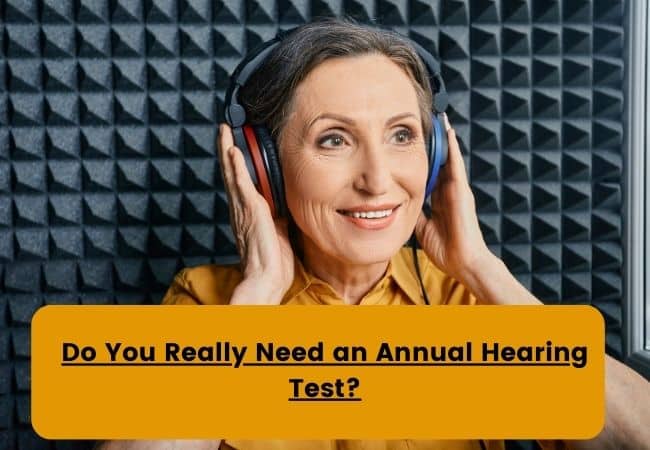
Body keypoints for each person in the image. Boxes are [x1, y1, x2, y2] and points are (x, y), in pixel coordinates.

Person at [100, 17, 650, 450]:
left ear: (436, 156)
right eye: (334, 140)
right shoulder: (209, 305)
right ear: (262, 166)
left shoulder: (468, 305)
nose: (378, 180)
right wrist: (257, 302)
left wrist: (484, 270)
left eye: (402, 135)